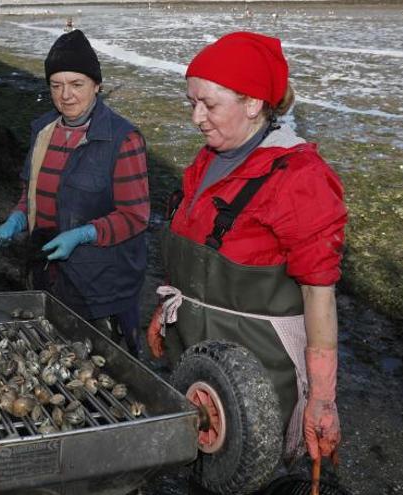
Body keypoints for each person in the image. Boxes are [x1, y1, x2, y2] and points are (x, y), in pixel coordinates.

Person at [147, 31, 346, 482]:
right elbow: (192, 253)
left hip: (261, 369)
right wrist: (168, 308)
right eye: (191, 102)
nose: (197, 117)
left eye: (209, 105)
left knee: (252, 472)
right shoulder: (206, 162)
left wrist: (322, 397)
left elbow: (320, 296)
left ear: (254, 103)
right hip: (198, 361)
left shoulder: (299, 178)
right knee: (201, 467)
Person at [0, 30, 150, 356]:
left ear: (96, 85)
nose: (66, 95)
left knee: (102, 365)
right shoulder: (42, 129)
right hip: (47, 271)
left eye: (76, 84)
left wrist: (84, 234)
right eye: (56, 85)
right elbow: (30, 190)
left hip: (98, 282)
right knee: (53, 353)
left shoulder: (123, 139)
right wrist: (18, 218)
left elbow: (135, 217)